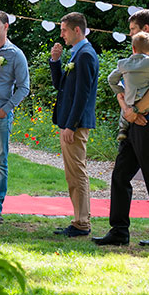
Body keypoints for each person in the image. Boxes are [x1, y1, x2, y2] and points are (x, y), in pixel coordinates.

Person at [95, 9, 149, 247]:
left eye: (132, 30)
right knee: (120, 175)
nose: (129, 34)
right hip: (135, 122)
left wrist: (135, 112)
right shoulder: (137, 58)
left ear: (146, 30)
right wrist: (127, 110)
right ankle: (119, 230)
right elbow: (121, 85)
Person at [49, 12, 99, 237]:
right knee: (72, 173)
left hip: (75, 125)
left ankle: (82, 222)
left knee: (77, 173)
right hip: (69, 122)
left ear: (77, 30)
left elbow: (83, 95)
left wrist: (71, 125)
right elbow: (61, 85)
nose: (62, 34)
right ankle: (79, 219)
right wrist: (56, 62)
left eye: (64, 30)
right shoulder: (75, 54)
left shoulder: (86, 55)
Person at [0, 10, 30, 223]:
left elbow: (23, 87)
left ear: (6, 26)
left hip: (0, 115)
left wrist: (7, 108)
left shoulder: (15, 54)